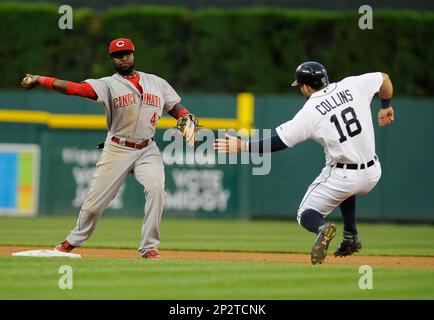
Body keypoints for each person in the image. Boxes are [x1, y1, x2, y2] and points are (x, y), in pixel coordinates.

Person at [21, 38, 199, 259]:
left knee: (156, 190)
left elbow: (174, 107)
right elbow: (74, 88)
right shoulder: (107, 85)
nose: (123, 58)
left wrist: (184, 116)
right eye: (118, 55)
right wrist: (41, 79)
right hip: (118, 148)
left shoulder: (157, 82)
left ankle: (149, 247)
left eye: (127, 54)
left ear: (134, 55)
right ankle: (70, 242)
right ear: (112, 59)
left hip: (147, 148)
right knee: (95, 204)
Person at [214, 61, 394, 264]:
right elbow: (384, 79)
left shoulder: (311, 111)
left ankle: (322, 228)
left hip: (345, 176)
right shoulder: (352, 84)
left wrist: (243, 146)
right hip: (373, 172)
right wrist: (385, 106)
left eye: (300, 86)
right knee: (343, 186)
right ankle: (350, 235)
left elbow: (280, 141)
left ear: (306, 87)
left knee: (305, 214)